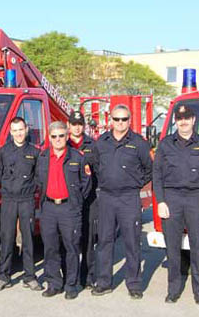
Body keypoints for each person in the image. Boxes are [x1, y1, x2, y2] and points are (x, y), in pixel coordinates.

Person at [153, 105, 199, 304]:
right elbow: (156, 174)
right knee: (172, 248)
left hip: (196, 198)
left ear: (193, 120)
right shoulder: (165, 144)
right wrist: (160, 201)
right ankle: (173, 290)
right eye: (179, 118)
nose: (183, 121)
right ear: (176, 120)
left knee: (198, 247)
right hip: (171, 198)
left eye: (187, 118)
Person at [92, 104, 152, 299]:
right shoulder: (101, 142)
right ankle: (103, 282)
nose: (120, 123)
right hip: (107, 197)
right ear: (111, 120)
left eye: (124, 119)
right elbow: (94, 165)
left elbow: (149, 169)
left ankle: (134, 284)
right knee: (104, 241)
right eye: (116, 119)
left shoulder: (139, 143)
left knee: (132, 242)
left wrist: (134, 184)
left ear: (129, 120)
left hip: (129, 198)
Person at [35, 121, 92, 300]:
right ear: (49, 138)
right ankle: (54, 283)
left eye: (61, 136)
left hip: (69, 208)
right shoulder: (43, 157)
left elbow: (86, 183)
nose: (58, 139)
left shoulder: (77, 157)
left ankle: (71, 285)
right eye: (54, 136)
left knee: (72, 247)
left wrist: (75, 202)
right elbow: (38, 180)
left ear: (67, 136)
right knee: (50, 248)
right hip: (49, 208)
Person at [0, 117, 43, 292]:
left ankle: (30, 276)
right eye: (15, 130)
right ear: (11, 132)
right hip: (9, 200)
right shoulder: (3, 152)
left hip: (27, 199)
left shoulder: (34, 152)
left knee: (28, 238)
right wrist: (9, 188)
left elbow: (38, 176)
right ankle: (3, 277)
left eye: (21, 129)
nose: (19, 133)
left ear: (26, 129)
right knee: (7, 237)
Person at [67, 111, 99, 289]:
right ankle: (68, 276)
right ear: (68, 124)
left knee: (87, 239)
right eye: (74, 123)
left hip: (89, 199)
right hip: (69, 200)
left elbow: (97, 171)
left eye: (80, 123)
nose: (77, 127)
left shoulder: (92, 145)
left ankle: (87, 277)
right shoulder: (63, 143)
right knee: (68, 239)